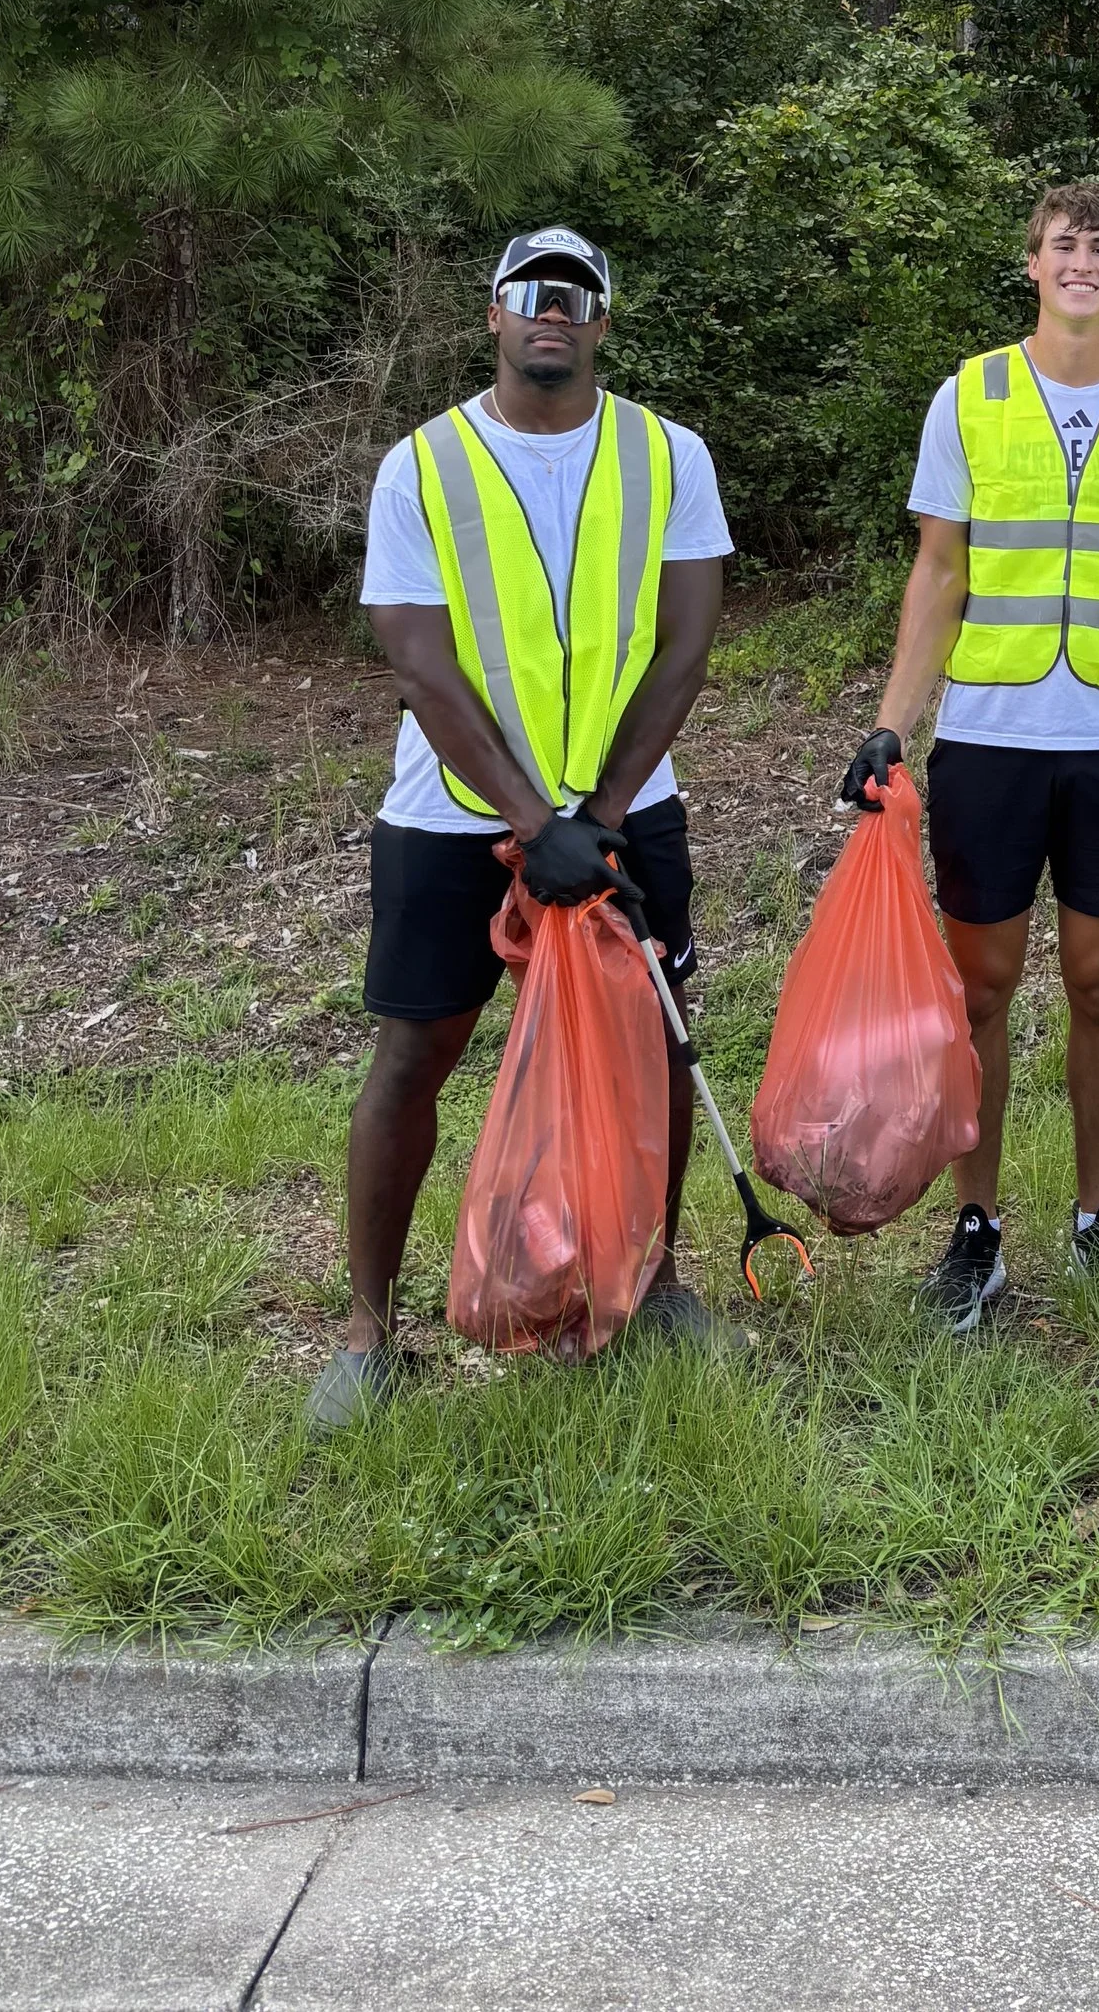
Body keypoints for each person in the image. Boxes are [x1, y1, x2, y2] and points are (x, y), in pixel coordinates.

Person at [305, 226, 736, 1433]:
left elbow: (684, 642)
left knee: (658, 1044)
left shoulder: (669, 455)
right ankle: (369, 1333)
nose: (554, 309)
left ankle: (650, 1286)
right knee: (411, 1058)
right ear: (491, 314)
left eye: (578, 294)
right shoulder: (424, 465)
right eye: (530, 292)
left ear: (603, 324)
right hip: (449, 819)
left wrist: (593, 819)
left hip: (626, 813)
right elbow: (420, 661)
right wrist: (530, 820)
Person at [839, 182, 1099, 1331]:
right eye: (1064, 246)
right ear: (1031, 264)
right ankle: (977, 1228)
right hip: (991, 739)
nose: (1083, 263)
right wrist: (892, 723)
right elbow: (939, 571)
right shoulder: (972, 393)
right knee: (981, 992)